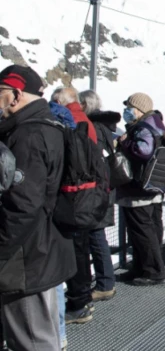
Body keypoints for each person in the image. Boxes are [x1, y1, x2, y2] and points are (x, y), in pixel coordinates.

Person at [0, 65, 76, 351]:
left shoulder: (27, 136)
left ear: (16, 95)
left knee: (32, 340)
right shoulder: (48, 126)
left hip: (25, 258)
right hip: (43, 249)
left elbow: (22, 206)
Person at [54, 87, 100, 324]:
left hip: (71, 196)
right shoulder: (85, 121)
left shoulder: (65, 122)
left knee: (74, 251)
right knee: (82, 249)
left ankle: (78, 303)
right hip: (86, 195)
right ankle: (83, 299)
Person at [118, 92, 165, 286]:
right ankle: (143, 267)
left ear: (138, 109)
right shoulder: (157, 124)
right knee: (151, 227)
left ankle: (152, 271)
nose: (127, 112)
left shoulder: (144, 127)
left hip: (140, 186)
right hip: (155, 183)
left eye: (129, 108)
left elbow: (143, 150)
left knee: (141, 230)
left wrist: (124, 143)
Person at [79, 90, 118, 303]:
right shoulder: (105, 127)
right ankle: (105, 281)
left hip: (96, 191)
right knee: (97, 236)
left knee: (95, 237)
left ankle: (105, 283)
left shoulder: (91, 127)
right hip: (106, 188)